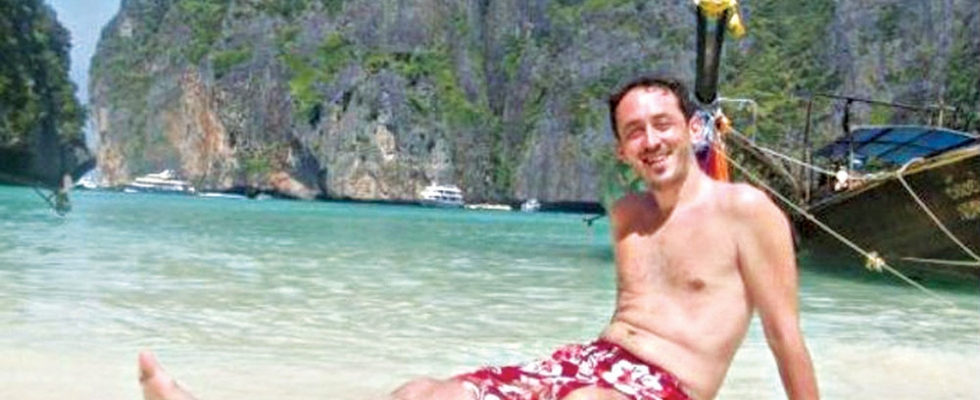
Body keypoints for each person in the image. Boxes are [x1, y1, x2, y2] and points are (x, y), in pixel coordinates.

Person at [138, 75, 819, 400]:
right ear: (621, 150)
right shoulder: (627, 214)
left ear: (692, 129)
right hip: (586, 365)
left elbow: (786, 338)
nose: (651, 140)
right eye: (633, 131)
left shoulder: (746, 211)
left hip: (664, 390)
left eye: (663, 124)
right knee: (421, 395)